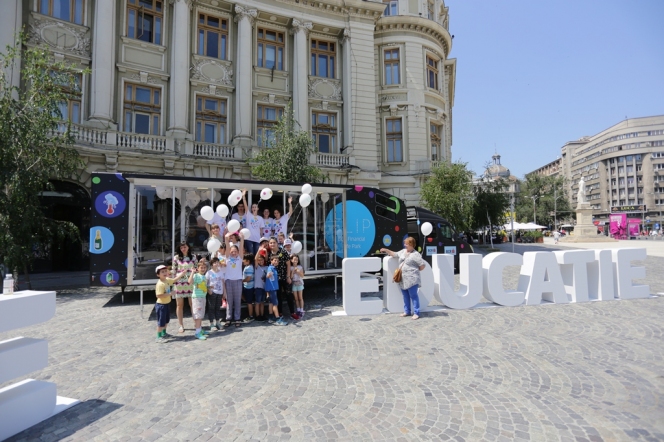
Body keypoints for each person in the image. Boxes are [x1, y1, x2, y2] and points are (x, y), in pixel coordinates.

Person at [380, 237, 426, 320]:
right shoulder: (403, 252)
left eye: (407, 244)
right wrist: (386, 250)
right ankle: (407, 311)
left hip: (412, 279)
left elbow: (422, 265)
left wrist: (414, 271)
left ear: (411, 244)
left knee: (413, 295)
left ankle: (416, 313)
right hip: (403, 279)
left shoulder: (416, 254)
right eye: (405, 243)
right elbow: (394, 254)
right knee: (405, 296)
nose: (405, 245)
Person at [154, 264, 189, 343]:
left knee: (166, 320)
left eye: (165, 271)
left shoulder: (167, 280)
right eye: (162, 272)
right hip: (161, 305)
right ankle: (158, 337)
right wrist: (170, 294)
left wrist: (182, 274)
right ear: (158, 275)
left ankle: (164, 333)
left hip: (166, 304)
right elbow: (158, 295)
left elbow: (174, 280)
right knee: (161, 321)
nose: (165, 273)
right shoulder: (160, 284)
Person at [173, 241, 197, 333]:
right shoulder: (176, 258)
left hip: (191, 283)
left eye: (185, 247)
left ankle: (196, 322)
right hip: (179, 284)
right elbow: (174, 270)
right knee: (179, 305)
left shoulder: (193, 257)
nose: (183, 249)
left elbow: (196, 269)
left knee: (192, 304)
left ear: (188, 247)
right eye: (181, 247)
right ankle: (181, 325)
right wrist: (173, 282)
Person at [267, 238, 292, 320]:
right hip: (275, 280)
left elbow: (288, 264)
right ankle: (280, 312)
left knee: (289, 294)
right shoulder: (269, 253)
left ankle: (292, 312)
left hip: (284, 277)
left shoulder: (283, 251)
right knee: (278, 296)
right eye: (270, 243)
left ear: (277, 243)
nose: (272, 244)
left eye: (274, 242)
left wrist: (288, 276)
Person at [224, 232, 244, 328]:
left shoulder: (240, 258)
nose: (233, 252)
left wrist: (242, 238)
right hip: (228, 280)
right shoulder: (227, 258)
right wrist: (227, 239)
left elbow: (241, 246)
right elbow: (227, 246)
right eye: (232, 251)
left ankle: (237, 318)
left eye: (235, 251)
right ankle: (228, 318)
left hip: (238, 280)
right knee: (229, 300)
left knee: (237, 300)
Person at [188, 261, 210, 340]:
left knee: (200, 315)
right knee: (198, 316)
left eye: (204, 268)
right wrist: (192, 273)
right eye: (201, 268)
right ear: (198, 269)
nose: (203, 269)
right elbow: (190, 282)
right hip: (197, 298)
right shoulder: (196, 275)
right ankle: (197, 332)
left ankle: (200, 329)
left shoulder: (203, 276)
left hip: (202, 297)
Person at [205, 257, 226, 332]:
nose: (216, 264)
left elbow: (223, 283)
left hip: (219, 292)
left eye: (217, 262)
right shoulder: (209, 273)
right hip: (212, 292)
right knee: (211, 308)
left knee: (218, 308)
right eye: (215, 262)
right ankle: (211, 323)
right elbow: (206, 283)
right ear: (211, 265)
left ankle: (217, 322)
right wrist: (208, 290)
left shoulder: (221, 272)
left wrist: (224, 292)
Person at [265, 255, 287, 325]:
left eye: (277, 261)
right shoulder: (270, 268)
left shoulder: (274, 268)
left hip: (272, 288)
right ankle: (278, 319)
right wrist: (268, 275)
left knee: (271, 303)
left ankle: (271, 317)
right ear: (271, 261)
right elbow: (268, 275)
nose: (276, 262)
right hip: (272, 288)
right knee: (275, 304)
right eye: (275, 260)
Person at [242, 253, 256, 323]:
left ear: (248, 261)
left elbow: (248, 278)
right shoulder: (248, 266)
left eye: (244, 259)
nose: (243, 260)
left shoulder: (249, 268)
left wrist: (241, 281)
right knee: (248, 301)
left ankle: (251, 316)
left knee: (249, 302)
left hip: (249, 287)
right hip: (247, 286)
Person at [290, 254, 305, 319]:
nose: (295, 261)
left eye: (296, 259)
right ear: (291, 260)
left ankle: (302, 310)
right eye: (294, 259)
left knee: (300, 297)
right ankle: (298, 309)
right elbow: (291, 277)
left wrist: (298, 271)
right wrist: (293, 272)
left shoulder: (300, 267)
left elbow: (302, 276)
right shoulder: (290, 268)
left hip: (300, 284)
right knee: (296, 298)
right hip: (294, 284)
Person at [253, 253, 267, 322]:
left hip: (264, 287)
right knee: (257, 302)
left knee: (262, 302)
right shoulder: (257, 267)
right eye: (259, 260)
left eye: (262, 260)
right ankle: (257, 315)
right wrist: (259, 250)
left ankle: (262, 315)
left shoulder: (266, 267)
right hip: (258, 287)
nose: (261, 261)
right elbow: (255, 259)